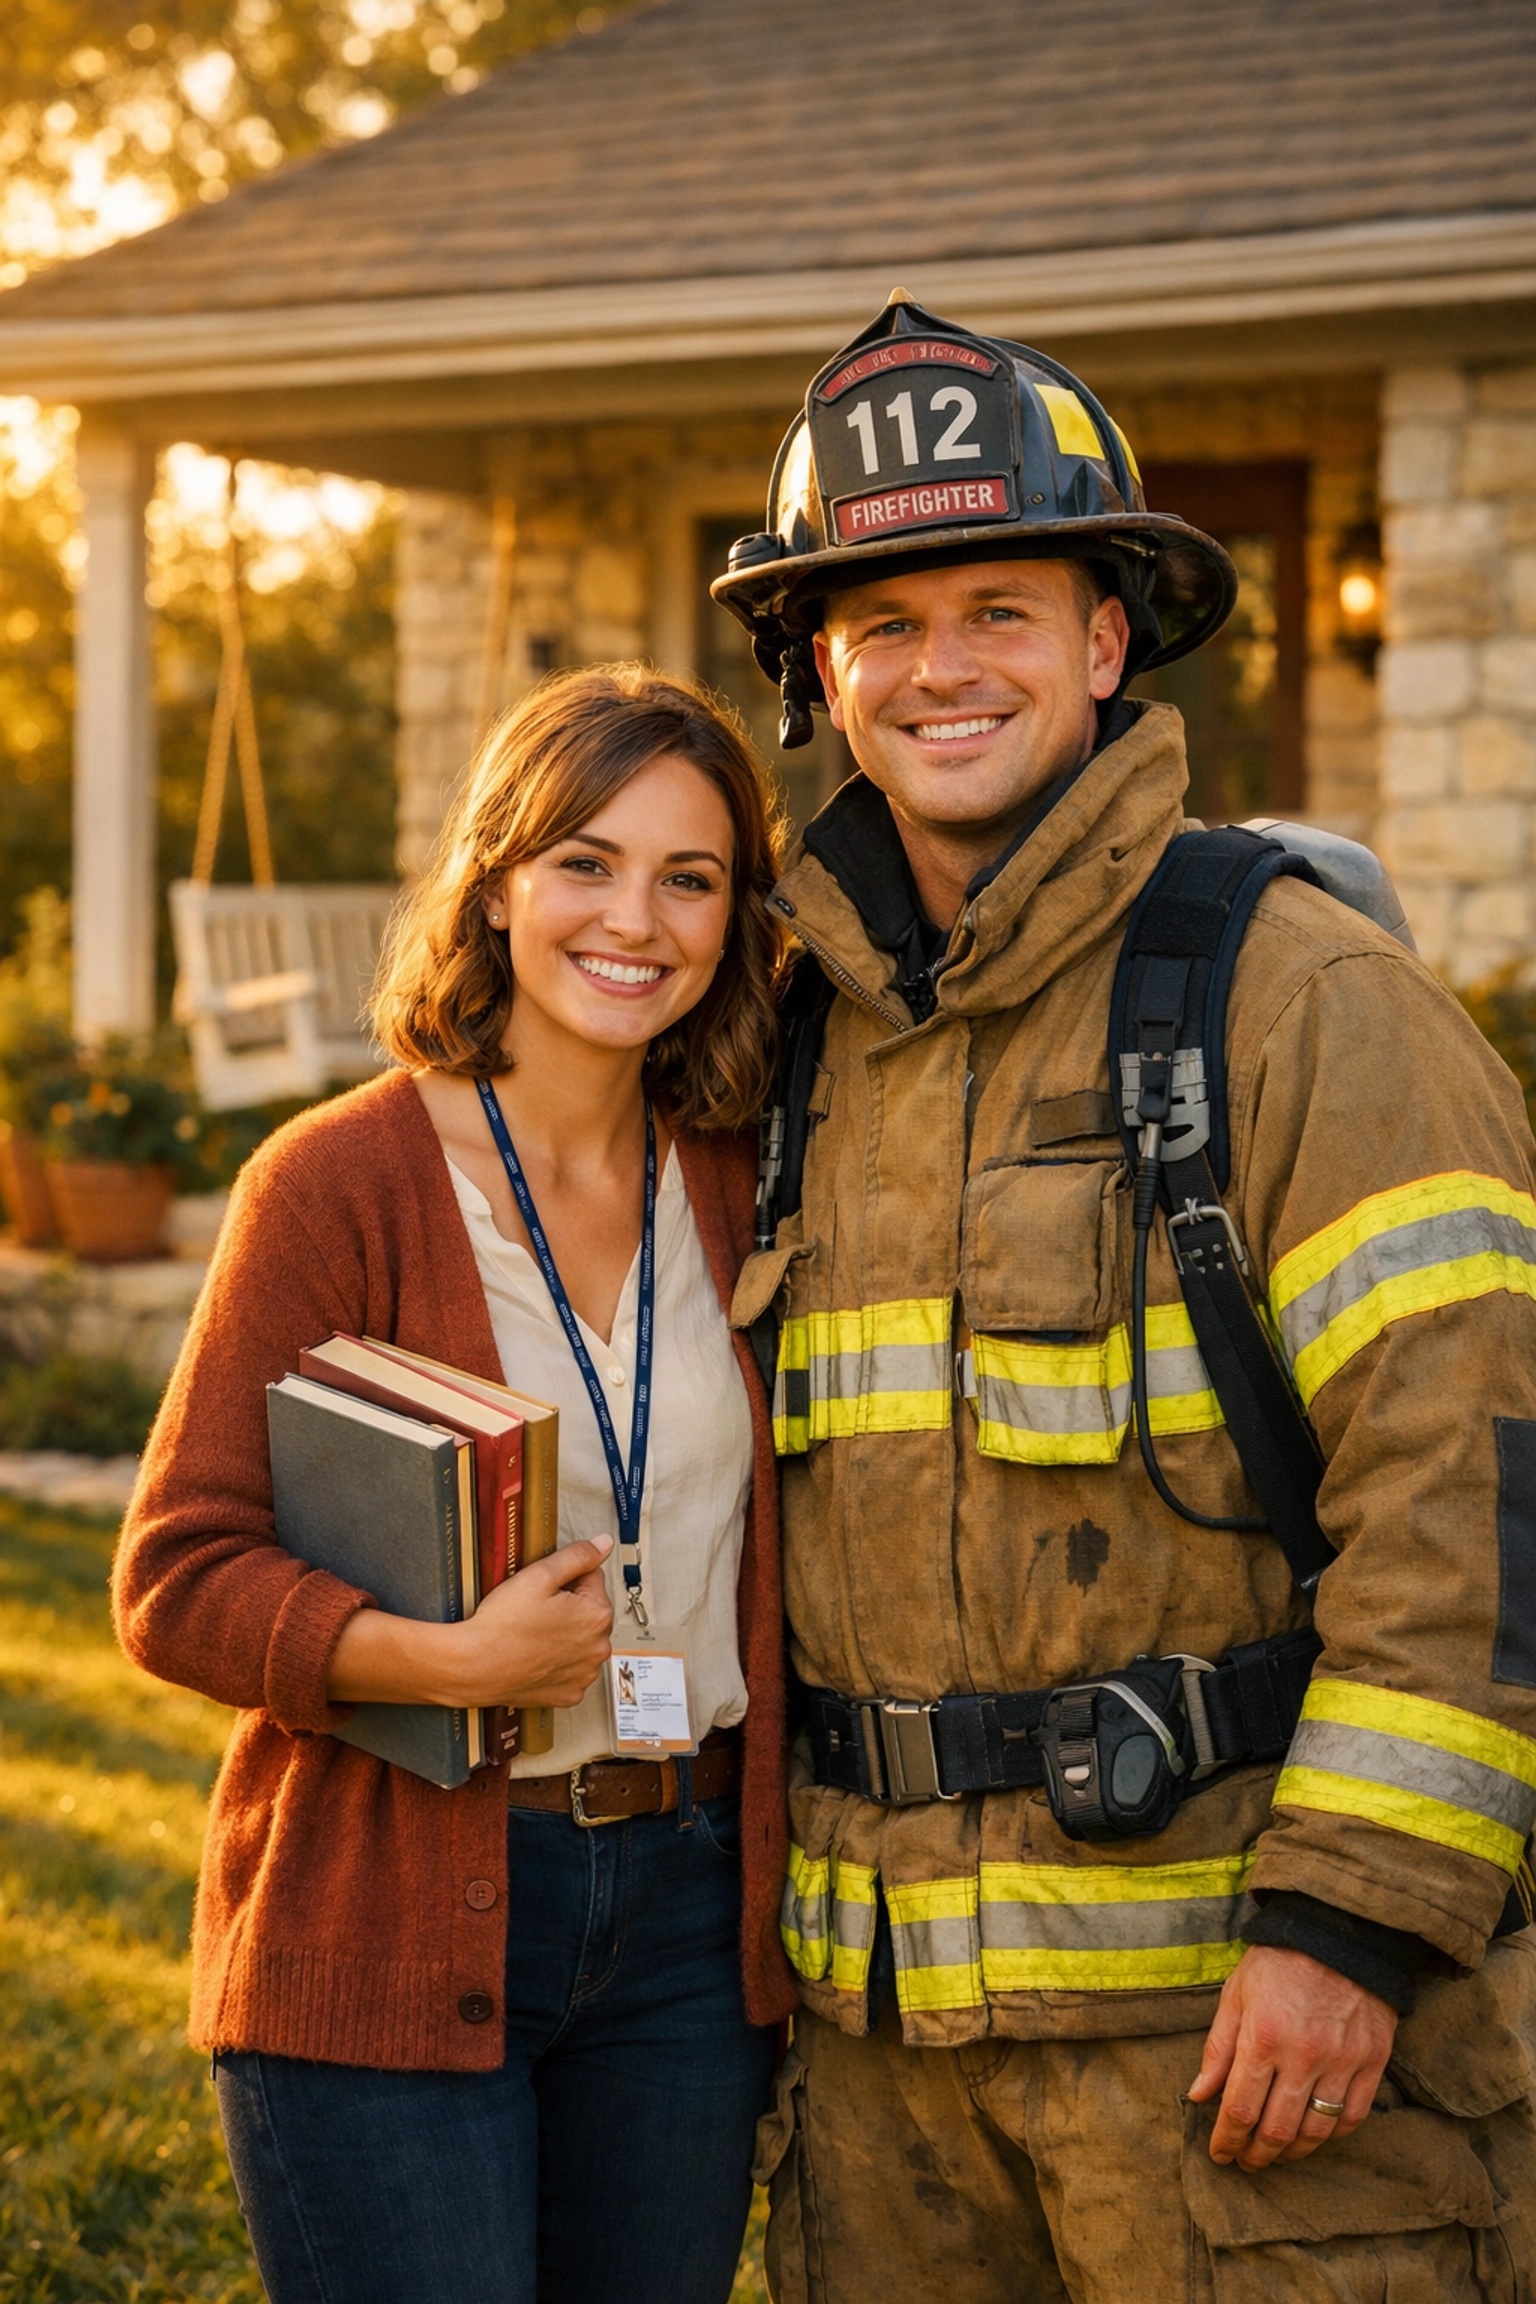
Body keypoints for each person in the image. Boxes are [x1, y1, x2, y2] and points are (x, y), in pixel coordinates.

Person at [711, 293, 1536, 2299]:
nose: (941, 668)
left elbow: (1481, 1499)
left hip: (1251, 2074)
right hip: (885, 2086)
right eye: (885, 622)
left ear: (1105, 643)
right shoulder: (793, 1038)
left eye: (999, 609)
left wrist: (1354, 1927)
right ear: (821, 676)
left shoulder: (1304, 1001)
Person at [112, 665, 799, 2304]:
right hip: (391, 1900)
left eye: (689, 878)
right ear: (496, 886)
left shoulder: (748, 1179)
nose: (634, 919)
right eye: (585, 862)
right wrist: (442, 1662)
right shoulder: (336, 1183)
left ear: (734, 920)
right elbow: (177, 1575)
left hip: (691, 1925)